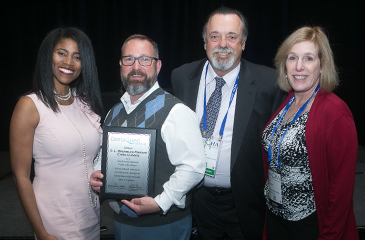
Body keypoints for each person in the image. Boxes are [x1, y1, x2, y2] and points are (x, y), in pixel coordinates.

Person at [171, 6, 286, 240]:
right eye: (215, 36)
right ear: (205, 43)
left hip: (244, 202)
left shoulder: (268, 82)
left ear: (243, 43)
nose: (222, 44)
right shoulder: (182, 76)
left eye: (232, 37)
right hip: (196, 201)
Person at [90, 34, 205, 240]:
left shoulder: (176, 111)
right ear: (121, 65)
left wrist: (161, 202)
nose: (136, 66)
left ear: (158, 66)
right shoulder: (113, 112)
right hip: (122, 222)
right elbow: (102, 156)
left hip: (162, 226)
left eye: (145, 59)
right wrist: (96, 173)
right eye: (129, 59)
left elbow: (193, 167)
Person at [261, 26, 358, 240]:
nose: (299, 67)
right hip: (276, 219)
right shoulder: (287, 101)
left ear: (322, 65)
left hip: (310, 227)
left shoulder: (335, 113)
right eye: (292, 57)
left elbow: (341, 192)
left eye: (308, 59)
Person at [9, 27, 103, 240]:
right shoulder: (30, 106)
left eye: (77, 57)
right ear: (47, 55)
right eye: (62, 53)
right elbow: (21, 176)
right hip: (54, 219)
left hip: (90, 213)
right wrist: (41, 232)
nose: (69, 62)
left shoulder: (85, 103)